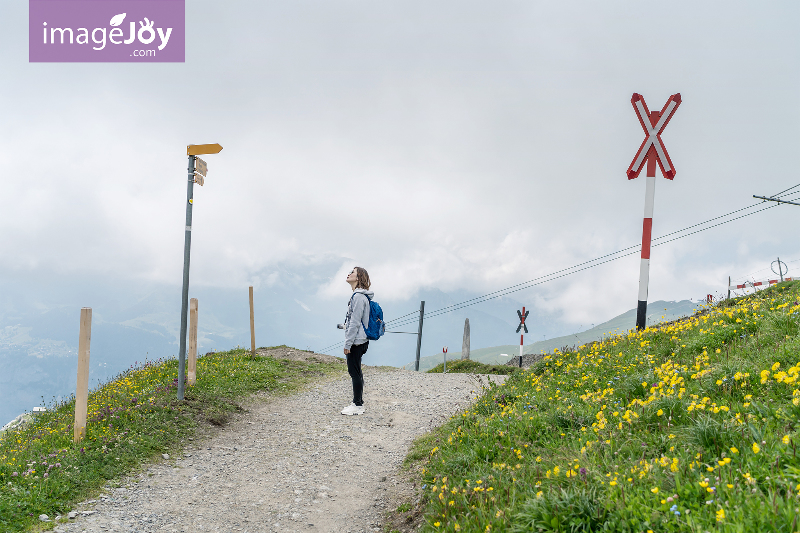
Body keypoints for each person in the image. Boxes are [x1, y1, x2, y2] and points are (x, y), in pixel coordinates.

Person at [341, 266, 373, 415]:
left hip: (357, 341)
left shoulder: (359, 297)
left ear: (359, 278)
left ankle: (358, 405)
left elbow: (355, 322)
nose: (349, 274)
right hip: (359, 339)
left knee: (354, 372)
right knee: (357, 371)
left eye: (352, 272)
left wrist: (348, 343)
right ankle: (358, 402)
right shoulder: (359, 296)